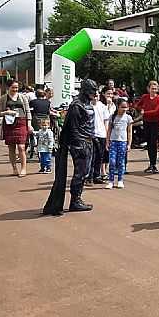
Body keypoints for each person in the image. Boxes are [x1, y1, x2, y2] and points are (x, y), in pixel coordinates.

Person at [42, 79, 98, 216]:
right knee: (81, 172)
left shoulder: (87, 104)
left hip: (89, 141)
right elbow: (72, 128)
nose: (94, 94)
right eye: (92, 91)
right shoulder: (77, 105)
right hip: (80, 144)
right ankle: (75, 201)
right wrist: (80, 144)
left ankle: (77, 199)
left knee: (85, 172)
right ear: (85, 90)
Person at [0, 80, 32, 177]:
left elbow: (27, 111)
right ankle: (14, 168)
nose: (15, 89)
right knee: (11, 147)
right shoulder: (3, 98)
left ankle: (23, 168)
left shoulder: (23, 97)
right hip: (9, 123)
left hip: (21, 122)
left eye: (16, 87)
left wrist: (29, 124)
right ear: (8, 87)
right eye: (13, 87)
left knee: (21, 147)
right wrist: (6, 113)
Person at [135, 81, 159, 174]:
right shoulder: (145, 97)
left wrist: (145, 112)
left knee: (153, 143)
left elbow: (157, 111)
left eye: (155, 89)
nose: (154, 90)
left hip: (155, 122)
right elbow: (137, 105)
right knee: (148, 142)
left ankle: (153, 164)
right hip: (146, 122)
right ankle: (151, 164)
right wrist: (141, 110)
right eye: (152, 88)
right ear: (148, 89)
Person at [106, 98, 132, 189]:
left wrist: (129, 144)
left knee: (121, 162)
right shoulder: (112, 117)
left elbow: (129, 132)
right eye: (122, 107)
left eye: (126, 107)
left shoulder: (128, 118)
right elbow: (109, 130)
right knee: (112, 161)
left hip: (123, 142)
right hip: (113, 141)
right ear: (118, 107)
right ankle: (111, 180)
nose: (124, 109)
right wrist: (107, 142)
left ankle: (120, 180)